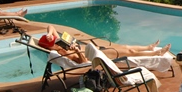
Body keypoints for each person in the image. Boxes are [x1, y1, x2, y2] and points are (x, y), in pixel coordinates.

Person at [37, 24, 171, 65]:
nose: (55, 40)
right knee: (128, 52)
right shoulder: (64, 53)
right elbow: (82, 62)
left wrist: (49, 33)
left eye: (54, 39)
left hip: (97, 49)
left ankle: (149, 47)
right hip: (97, 55)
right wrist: (77, 51)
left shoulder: (59, 43)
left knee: (125, 47)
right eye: (53, 42)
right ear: (51, 47)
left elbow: (51, 26)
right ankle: (155, 53)